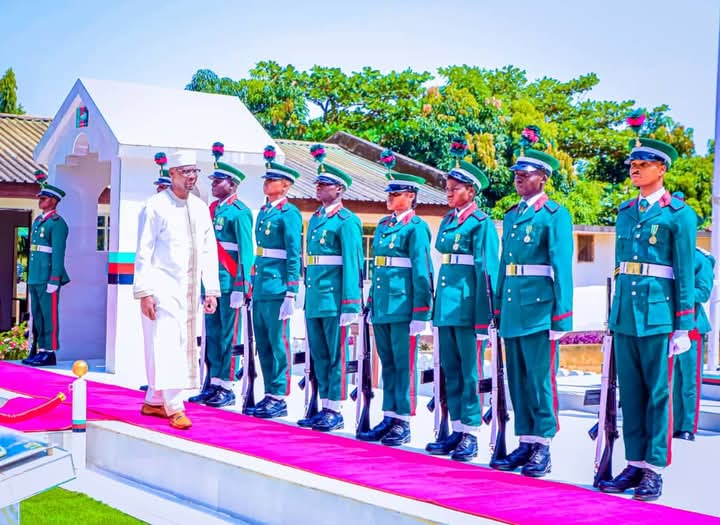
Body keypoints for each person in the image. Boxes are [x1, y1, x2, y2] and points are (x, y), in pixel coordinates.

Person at [598, 129, 696, 501]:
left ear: (662, 169)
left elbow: (684, 272)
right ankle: (634, 463)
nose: (634, 170)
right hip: (626, 315)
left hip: (658, 315)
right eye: (632, 165)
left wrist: (683, 324)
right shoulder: (626, 211)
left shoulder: (679, 215)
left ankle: (654, 469)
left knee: (658, 394)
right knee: (632, 394)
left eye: (642, 165)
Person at [489, 128, 573, 477]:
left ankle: (543, 445)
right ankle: (525, 441)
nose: (519, 179)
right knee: (518, 380)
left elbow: (561, 267)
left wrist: (562, 318)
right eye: (517, 174)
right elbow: (503, 266)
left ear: (544, 178)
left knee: (540, 379)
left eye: (526, 174)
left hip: (539, 309)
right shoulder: (511, 215)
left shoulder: (554, 214)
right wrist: (496, 309)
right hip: (512, 307)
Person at [134, 150, 220, 430]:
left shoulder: (198, 208)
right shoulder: (155, 206)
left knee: (180, 344)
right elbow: (143, 251)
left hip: (190, 290)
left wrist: (211, 290)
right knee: (167, 343)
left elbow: (209, 251)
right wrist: (145, 291)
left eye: (195, 171)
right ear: (171, 173)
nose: (192, 177)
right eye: (185, 171)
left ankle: (155, 399)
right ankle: (175, 406)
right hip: (161, 287)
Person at [425, 139, 499, 461]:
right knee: (450, 369)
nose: (448, 193)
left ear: (471, 191)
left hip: (469, 305)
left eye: (455, 188)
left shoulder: (480, 223)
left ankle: (471, 432)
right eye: (447, 187)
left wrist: (485, 316)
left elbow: (486, 270)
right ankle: (455, 428)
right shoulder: (447, 221)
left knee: (469, 372)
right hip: (448, 304)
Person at [357, 149, 433, 447]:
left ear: (411, 196)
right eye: (389, 192)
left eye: (396, 193)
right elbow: (378, 268)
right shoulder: (385, 226)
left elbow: (422, 271)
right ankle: (390, 415)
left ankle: (404, 419)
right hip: (384, 306)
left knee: (405, 365)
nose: (390, 197)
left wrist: (421, 312)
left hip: (404, 307)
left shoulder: (416, 228)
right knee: (387, 363)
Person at [298, 144, 363, 431]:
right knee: (320, 354)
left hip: (335, 299)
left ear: (339, 190)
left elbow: (352, 263)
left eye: (325, 185)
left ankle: (334, 408)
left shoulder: (347, 221)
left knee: (335, 354)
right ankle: (323, 402)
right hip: (315, 297)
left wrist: (351, 303)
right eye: (319, 184)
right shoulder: (316, 219)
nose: (319, 189)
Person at [189, 143, 253, 408]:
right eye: (213, 180)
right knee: (212, 334)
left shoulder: (240, 212)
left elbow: (246, 252)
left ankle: (226, 386)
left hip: (229, 282)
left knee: (228, 334)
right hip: (211, 282)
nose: (213, 184)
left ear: (232, 184)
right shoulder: (212, 209)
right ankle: (213, 382)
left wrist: (242, 286)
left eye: (218, 181)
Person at [250, 145, 303, 419]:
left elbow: (294, 253)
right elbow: (259, 252)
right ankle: (268, 391)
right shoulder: (264, 211)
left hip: (278, 286)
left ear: (285, 186)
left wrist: (291, 291)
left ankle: (279, 395)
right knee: (263, 342)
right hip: (262, 285)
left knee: (278, 342)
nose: (267, 184)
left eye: (272, 181)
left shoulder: (289, 214)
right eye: (266, 180)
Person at [669, 192, 714, 441]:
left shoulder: (699, 259)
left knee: (688, 381)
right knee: (668, 380)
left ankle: (686, 426)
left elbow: (703, 291)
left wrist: (677, 294)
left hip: (692, 325)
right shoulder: (664, 257)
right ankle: (671, 424)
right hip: (665, 324)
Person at [22, 176, 70, 367]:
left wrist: (55, 278)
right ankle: (40, 349)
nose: (40, 201)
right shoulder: (38, 221)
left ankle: (49, 351)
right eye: (40, 198)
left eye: (43, 198)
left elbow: (58, 253)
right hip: (35, 275)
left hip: (48, 276)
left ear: (53, 201)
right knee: (38, 314)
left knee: (49, 315)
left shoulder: (57, 223)